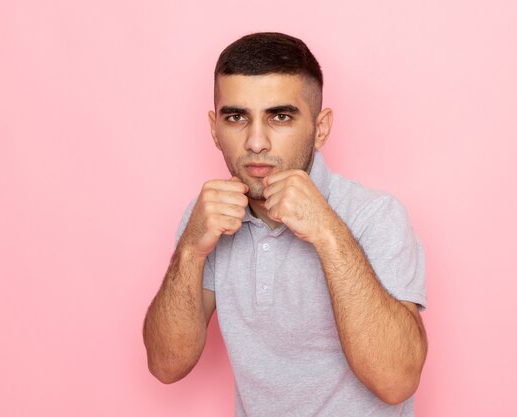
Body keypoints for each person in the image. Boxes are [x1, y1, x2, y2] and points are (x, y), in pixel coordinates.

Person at [143, 32, 428, 417]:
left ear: (321, 127)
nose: (256, 141)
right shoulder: (207, 217)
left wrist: (328, 231)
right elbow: (166, 365)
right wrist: (191, 249)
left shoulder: (375, 215)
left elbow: (396, 382)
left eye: (280, 116)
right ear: (214, 129)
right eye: (236, 117)